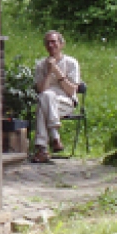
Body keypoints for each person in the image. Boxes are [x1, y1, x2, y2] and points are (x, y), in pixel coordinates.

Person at [30, 30, 81, 163]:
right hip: (49, 104)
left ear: (61, 44)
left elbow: (71, 91)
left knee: (43, 103)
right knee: (46, 97)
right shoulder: (41, 65)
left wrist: (56, 70)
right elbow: (42, 90)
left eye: (54, 42)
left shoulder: (71, 63)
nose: (51, 45)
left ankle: (42, 149)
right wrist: (48, 72)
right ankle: (54, 138)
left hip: (65, 103)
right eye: (47, 43)